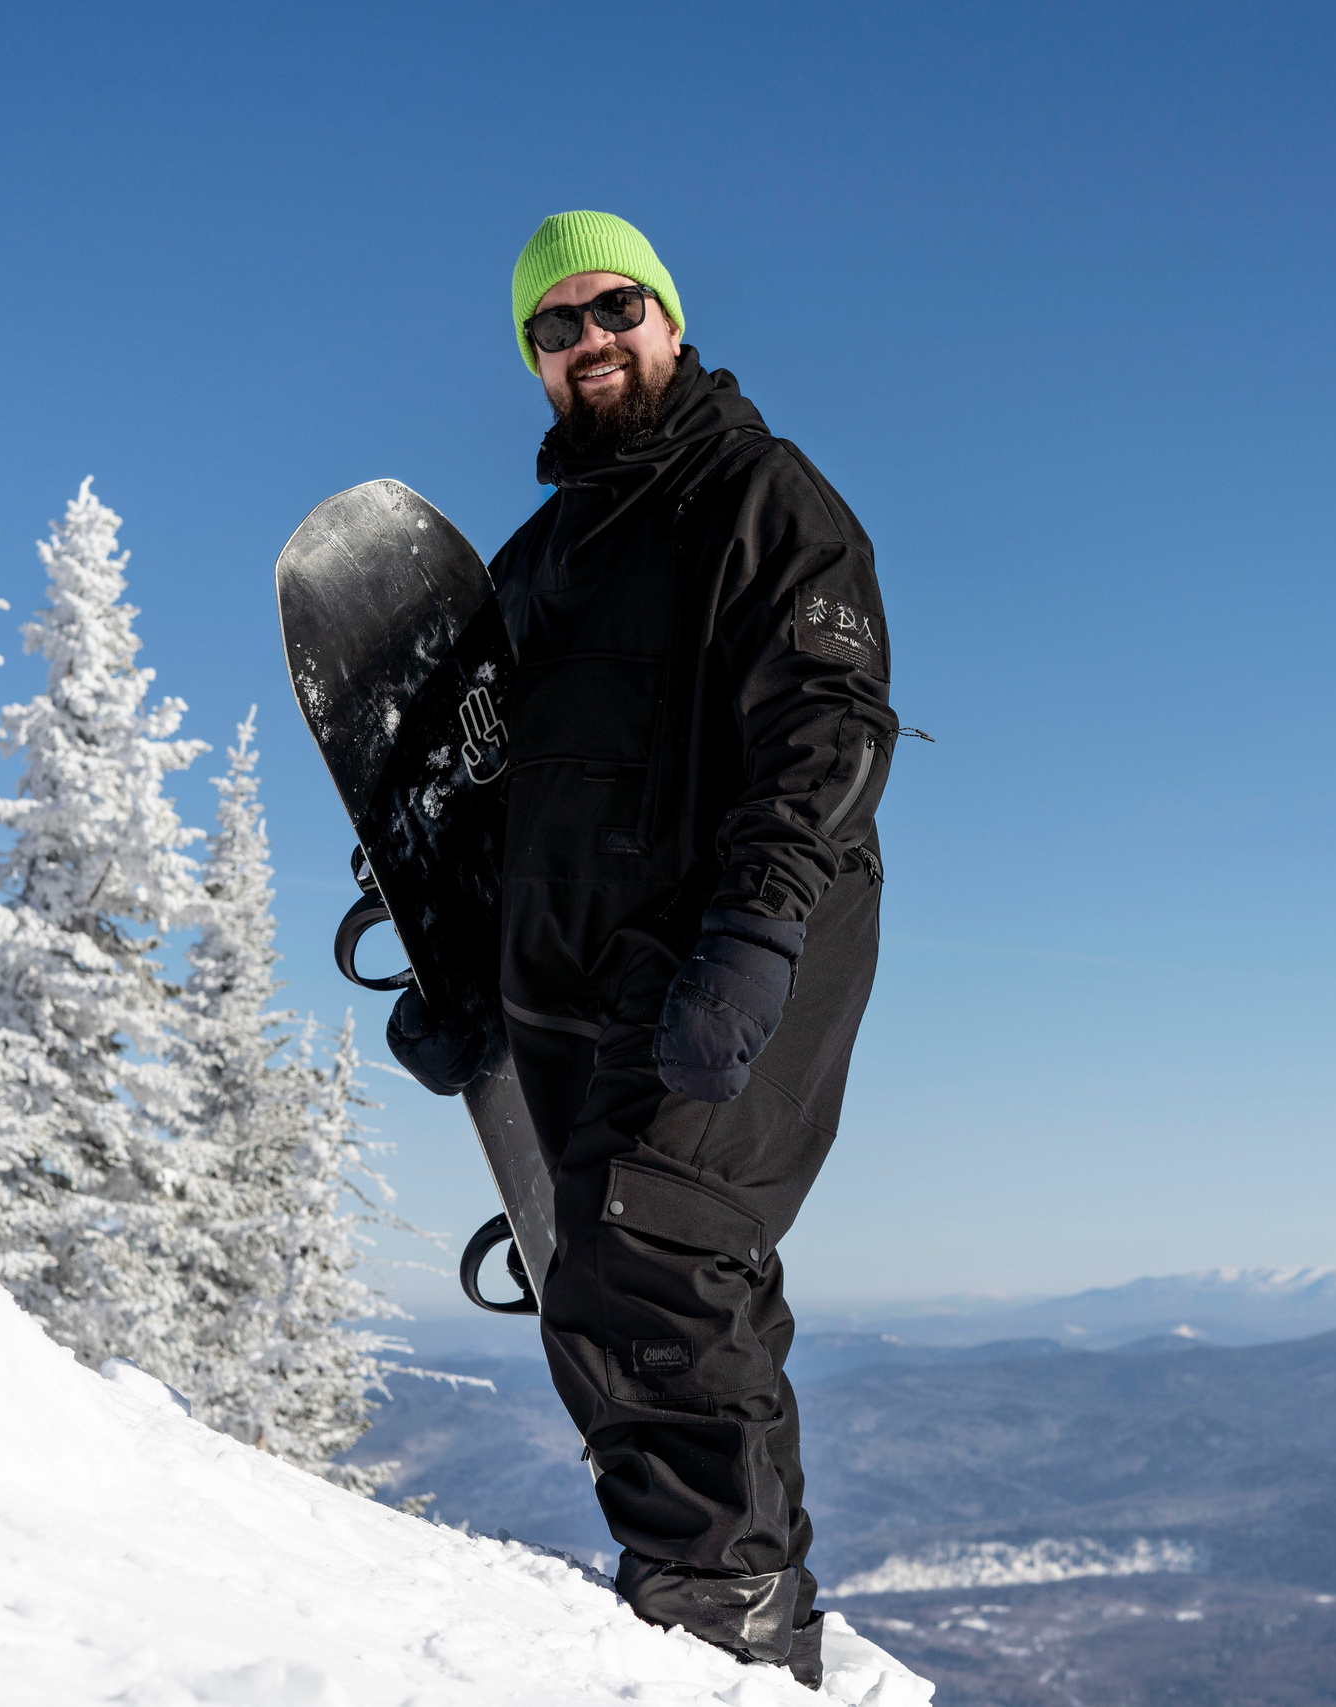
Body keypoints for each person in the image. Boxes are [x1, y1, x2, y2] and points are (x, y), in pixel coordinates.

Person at [384, 211, 895, 1685]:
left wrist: (754, 937)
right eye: (556, 325)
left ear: (669, 317)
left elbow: (828, 721)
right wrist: (463, 972)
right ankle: (724, 1612)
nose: (590, 338)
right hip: (576, 976)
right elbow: (500, 804)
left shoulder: (762, 497)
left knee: (663, 1249)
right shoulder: (538, 563)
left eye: (615, 306)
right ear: (534, 361)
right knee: (591, 1289)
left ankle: (718, 1614)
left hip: (737, 939)